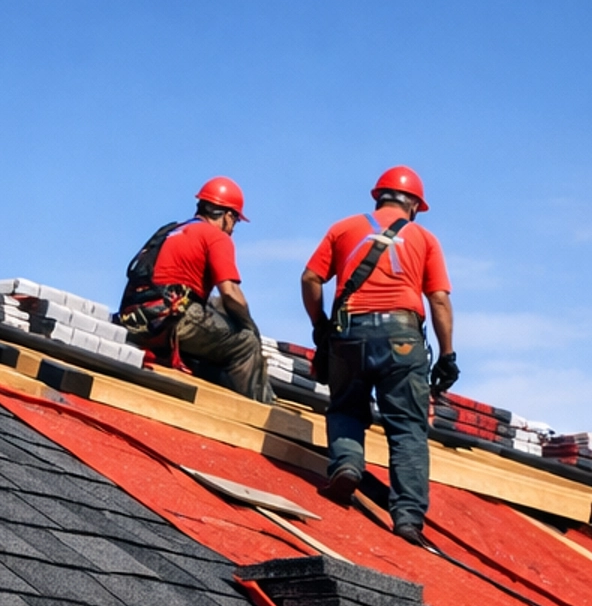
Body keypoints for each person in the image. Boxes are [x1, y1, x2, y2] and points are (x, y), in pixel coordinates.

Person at [301, 167, 457, 545]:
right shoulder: (424, 238)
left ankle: (347, 468)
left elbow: (310, 278)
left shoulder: (342, 228)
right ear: (415, 206)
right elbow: (438, 299)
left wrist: (321, 324)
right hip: (402, 337)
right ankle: (407, 518)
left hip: (348, 333)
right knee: (406, 427)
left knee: (346, 408)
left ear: (378, 197)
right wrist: (448, 355)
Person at [119, 179, 273, 402]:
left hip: (135, 317)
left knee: (215, 305)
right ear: (228, 215)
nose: (233, 228)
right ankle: (256, 410)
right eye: (235, 221)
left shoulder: (173, 230)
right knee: (245, 343)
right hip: (168, 319)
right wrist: (251, 329)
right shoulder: (217, 237)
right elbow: (230, 292)